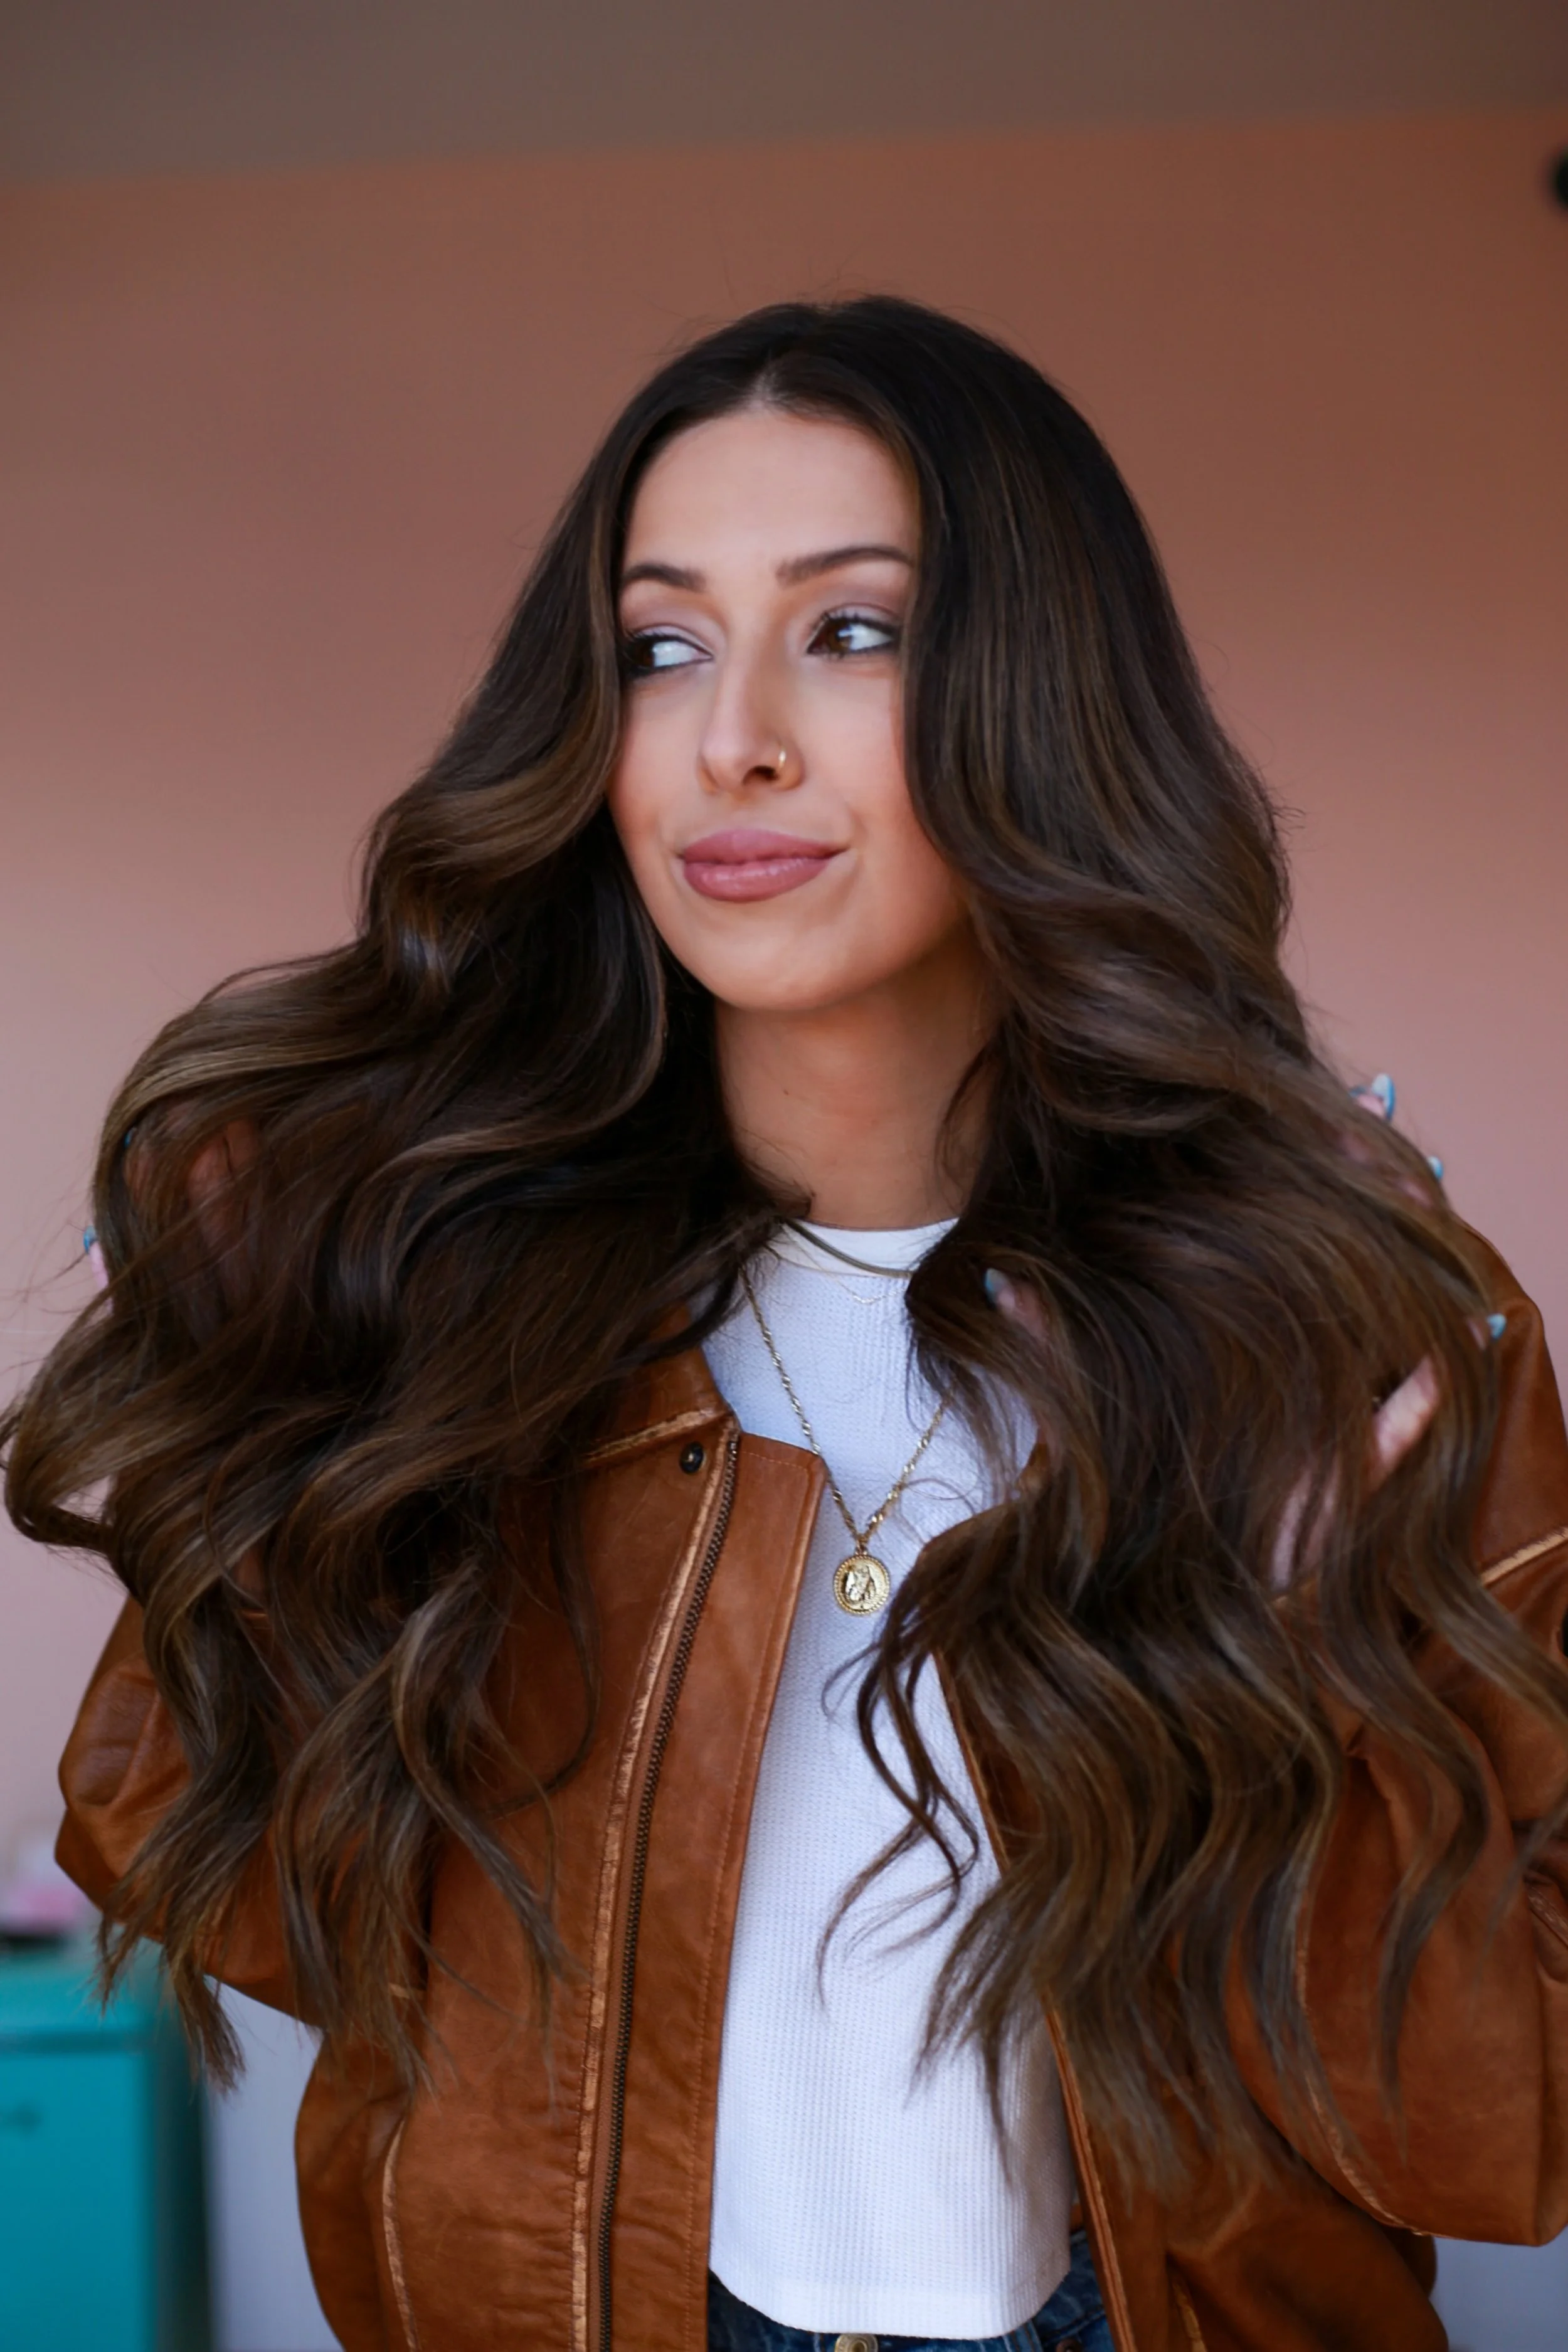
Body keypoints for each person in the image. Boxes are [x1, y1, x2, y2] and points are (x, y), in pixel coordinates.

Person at [6, 297, 1567, 2352]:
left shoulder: (1346, 1334)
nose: (732, 732)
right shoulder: (455, 1292)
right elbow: (217, 1886)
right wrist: (269, 1451)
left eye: (851, 630)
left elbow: (1505, 2137)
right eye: (661, 646)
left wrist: (1333, 1675)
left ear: (1035, 696)